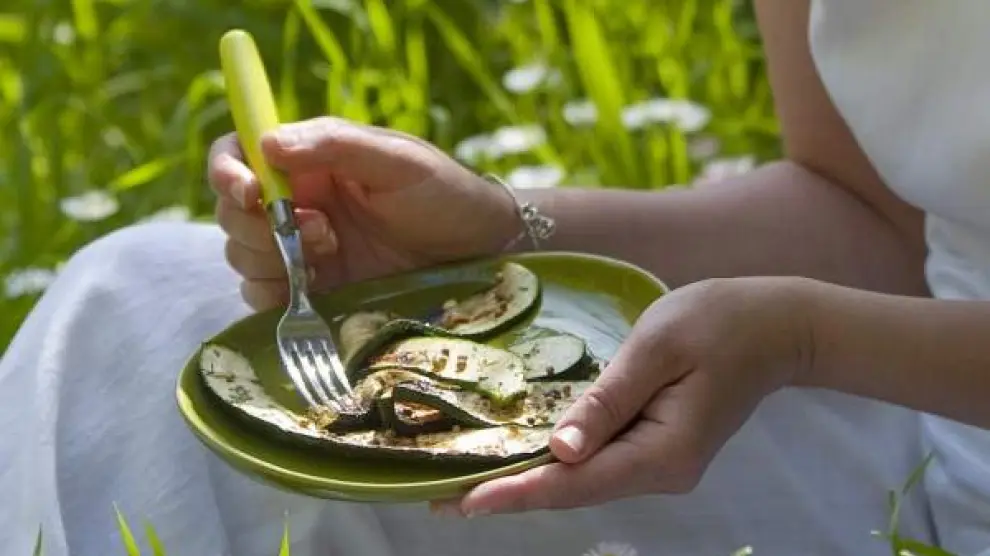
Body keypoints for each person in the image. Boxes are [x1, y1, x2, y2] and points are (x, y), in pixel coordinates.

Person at [3, 1, 990, 554]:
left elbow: (816, 317)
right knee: (133, 312)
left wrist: (802, 339)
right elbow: (868, 219)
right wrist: (496, 234)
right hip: (924, 429)